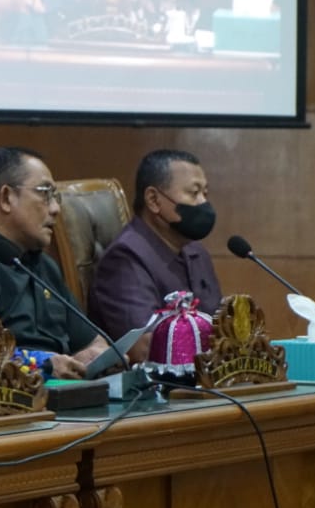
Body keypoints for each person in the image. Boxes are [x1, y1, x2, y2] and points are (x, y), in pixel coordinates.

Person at [0, 147, 109, 379]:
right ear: (6, 198)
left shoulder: (45, 265)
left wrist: (97, 355)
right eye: (45, 194)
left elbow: (92, 340)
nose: (56, 209)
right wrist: (44, 365)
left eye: (55, 197)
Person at [88, 148, 222, 357]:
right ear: (153, 200)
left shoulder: (196, 252)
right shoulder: (125, 258)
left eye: (205, 193)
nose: (203, 203)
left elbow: (218, 324)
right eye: (193, 193)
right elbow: (145, 347)